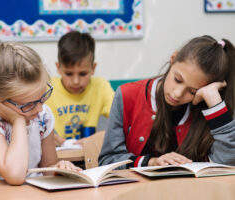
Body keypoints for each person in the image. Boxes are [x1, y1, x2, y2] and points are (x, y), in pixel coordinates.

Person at [99, 35, 235, 169]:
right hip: (138, 190)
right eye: (177, 79)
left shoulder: (208, 105)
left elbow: (225, 165)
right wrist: (151, 162)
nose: (177, 93)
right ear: (173, 59)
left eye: (192, 91)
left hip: (190, 190)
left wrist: (214, 101)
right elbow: (108, 161)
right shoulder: (127, 95)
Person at [0, 42, 81, 185]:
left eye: (42, 98)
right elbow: (15, 176)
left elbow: (48, 168)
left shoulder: (42, 116)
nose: (39, 108)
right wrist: (18, 121)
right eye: (29, 104)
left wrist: (60, 167)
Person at [46, 31, 115, 146]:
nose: (76, 81)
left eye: (82, 74)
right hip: (58, 154)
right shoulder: (47, 88)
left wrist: (103, 135)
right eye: (69, 74)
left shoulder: (101, 86)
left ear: (93, 68)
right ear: (58, 68)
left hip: (89, 152)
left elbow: (123, 121)